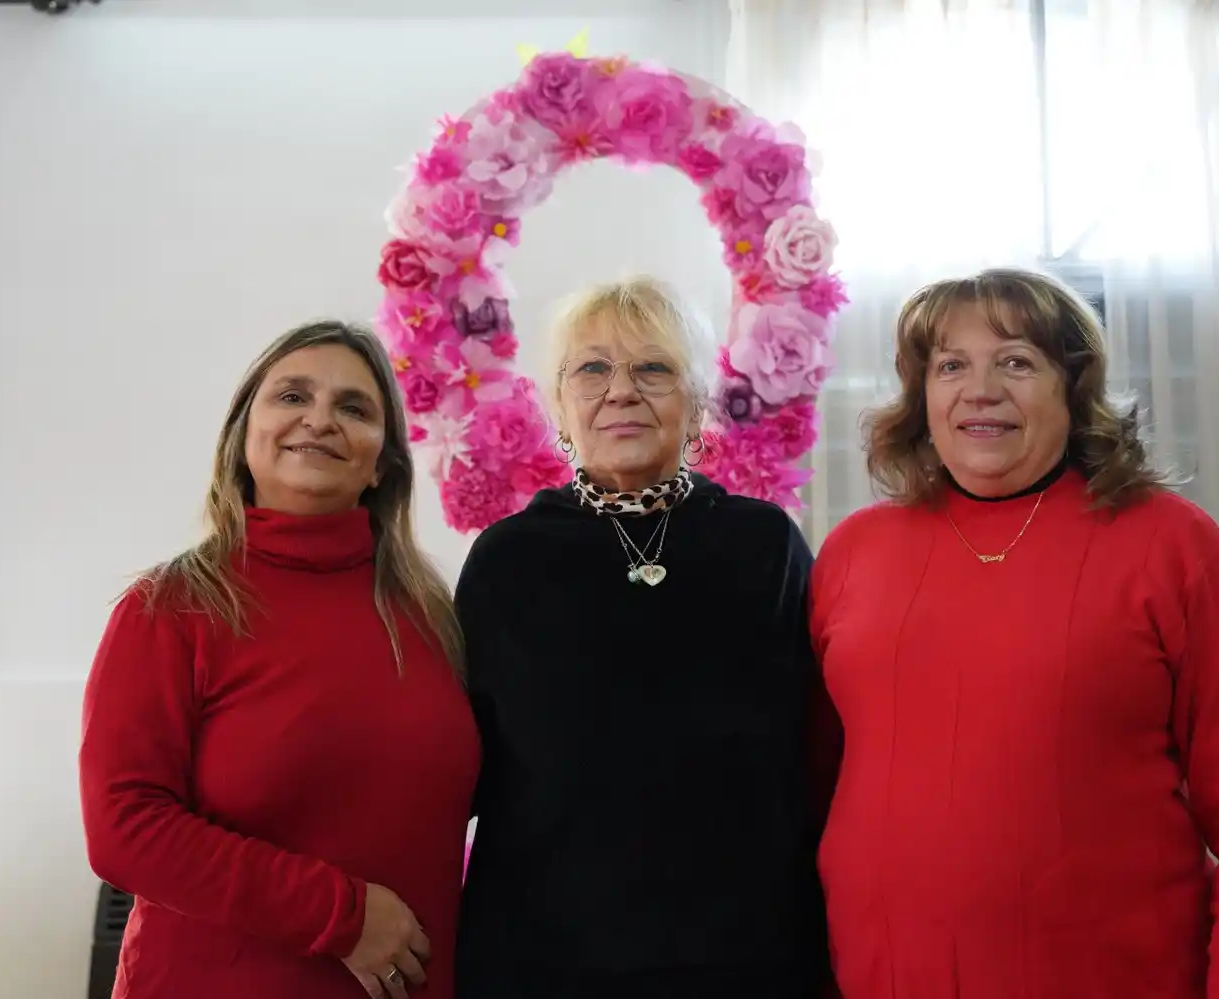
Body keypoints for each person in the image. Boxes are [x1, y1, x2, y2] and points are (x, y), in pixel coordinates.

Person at [810, 268, 1219, 999]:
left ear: (1073, 388)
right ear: (923, 395)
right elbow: (811, 788)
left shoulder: (1168, 543)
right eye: (951, 365)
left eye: (1016, 361)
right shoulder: (852, 553)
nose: (980, 389)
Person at [453, 277, 841, 999]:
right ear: (560, 407)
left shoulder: (765, 546)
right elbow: (457, 766)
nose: (621, 390)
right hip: (546, 957)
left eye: (653, 369)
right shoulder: (508, 558)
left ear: (695, 403)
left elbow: (819, 748)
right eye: (592, 369)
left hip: (748, 951)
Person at [79, 321, 479, 999]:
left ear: (381, 462)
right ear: (243, 437)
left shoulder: (430, 613)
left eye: (354, 407)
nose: (319, 419)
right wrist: (341, 916)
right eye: (293, 396)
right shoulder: (169, 607)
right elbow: (124, 827)